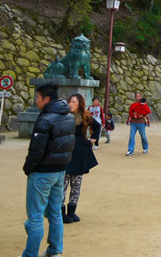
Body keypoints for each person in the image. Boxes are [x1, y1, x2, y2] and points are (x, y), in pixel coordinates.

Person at [21, 84, 75, 257]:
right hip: (60, 171)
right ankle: (55, 250)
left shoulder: (45, 119)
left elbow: (36, 150)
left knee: (35, 217)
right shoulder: (68, 116)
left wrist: (28, 168)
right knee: (55, 213)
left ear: (47, 99)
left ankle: (30, 254)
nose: (36, 101)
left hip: (42, 172)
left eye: (38, 98)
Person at [62, 94, 99, 224]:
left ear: (80, 104)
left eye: (73, 102)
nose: (70, 104)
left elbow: (97, 126)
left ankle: (72, 211)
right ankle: (61, 213)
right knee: (63, 185)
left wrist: (93, 140)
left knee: (76, 185)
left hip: (80, 154)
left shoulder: (85, 116)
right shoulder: (63, 116)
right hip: (65, 154)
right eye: (70, 101)